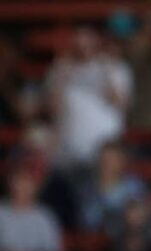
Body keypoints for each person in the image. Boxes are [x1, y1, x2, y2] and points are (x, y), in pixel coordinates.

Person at [45, 26, 133, 170]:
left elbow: (121, 104)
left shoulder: (116, 68)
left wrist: (106, 72)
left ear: (97, 41)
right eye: (79, 39)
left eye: (88, 39)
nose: (83, 45)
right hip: (69, 152)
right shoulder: (59, 69)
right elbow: (52, 109)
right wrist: (61, 79)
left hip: (104, 152)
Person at [0, 167, 63, 251]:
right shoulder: (2, 213)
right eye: (18, 182)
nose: (22, 187)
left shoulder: (45, 216)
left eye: (27, 183)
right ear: (10, 184)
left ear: (35, 187)